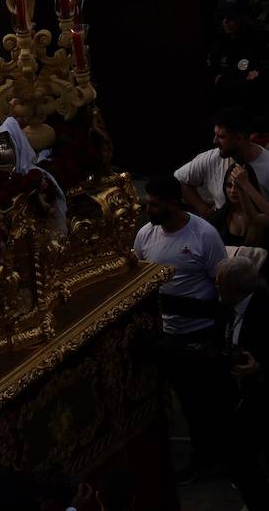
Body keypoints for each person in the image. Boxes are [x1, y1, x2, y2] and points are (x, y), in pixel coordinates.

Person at [133, 174, 227, 484]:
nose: (149, 210)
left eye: (155, 205)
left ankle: (209, 459)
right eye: (148, 203)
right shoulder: (146, 235)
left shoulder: (204, 235)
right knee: (175, 400)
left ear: (174, 203)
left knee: (201, 403)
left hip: (199, 333)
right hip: (165, 334)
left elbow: (222, 284)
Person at [211, 254, 269, 509]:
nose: (215, 289)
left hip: (262, 396)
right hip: (237, 397)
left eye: (219, 285)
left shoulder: (266, 311)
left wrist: (259, 368)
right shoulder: (226, 308)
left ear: (236, 289)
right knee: (240, 458)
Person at [176, 105, 269, 220]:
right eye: (215, 134)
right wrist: (206, 213)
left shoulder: (266, 165)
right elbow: (179, 180)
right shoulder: (212, 158)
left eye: (221, 137)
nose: (214, 141)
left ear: (239, 139)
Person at [207, 0, 269, 112]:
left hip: (248, 108)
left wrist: (224, 81)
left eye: (231, 17)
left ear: (243, 18)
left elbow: (254, 85)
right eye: (223, 17)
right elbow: (211, 79)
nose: (225, 21)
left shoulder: (257, 43)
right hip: (221, 108)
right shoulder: (218, 43)